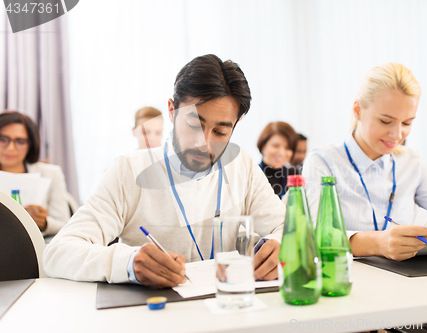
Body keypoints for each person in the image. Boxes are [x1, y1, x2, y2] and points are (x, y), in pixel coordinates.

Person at [44, 54, 285, 288]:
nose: (204, 143)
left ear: (236, 125)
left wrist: (278, 244)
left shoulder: (241, 165)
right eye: (194, 125)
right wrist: (127, 263)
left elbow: (288, 226)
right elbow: (58, 252)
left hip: (228, 310)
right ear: (171, 110)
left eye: (221, 132)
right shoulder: (129, 170)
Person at [302, 62, 427, 261]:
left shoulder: (412, 162)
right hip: (346, 279)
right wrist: (379, 243)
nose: (397, 134)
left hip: (404, 280)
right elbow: (315, 234)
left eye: (407, 123)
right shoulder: (324, 161)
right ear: (358, 110)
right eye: (385, 121)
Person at [0, 111, 71, 236]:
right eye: (2, 139)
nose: (10, 148)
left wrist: (45, 224)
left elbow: (66, 225)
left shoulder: (51, 174)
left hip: (34, 248)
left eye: (20, 141)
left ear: (30, 145)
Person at [257, 121, 297, 198]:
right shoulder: (250, 175)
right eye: (275, 146)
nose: (281, 153)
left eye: (288, 148)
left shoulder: (295, 176)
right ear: (263, 146)